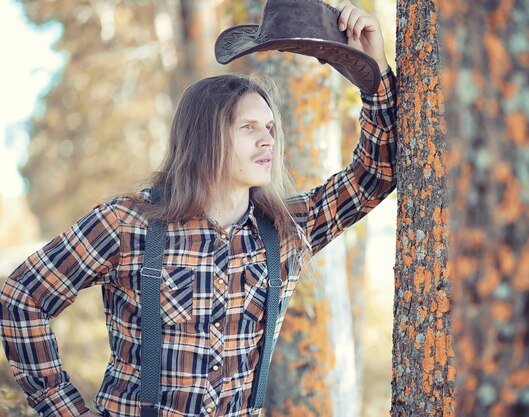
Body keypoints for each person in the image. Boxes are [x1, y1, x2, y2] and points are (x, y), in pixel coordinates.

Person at [0, 1, 397, 416]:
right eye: (249, 128)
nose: (268, 141)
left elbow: (376, 174)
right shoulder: (127, 223)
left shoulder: (286, 229)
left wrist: (374, 76)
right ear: (205, 138)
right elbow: (23, 297)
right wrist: (64, 409)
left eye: (270, 129)